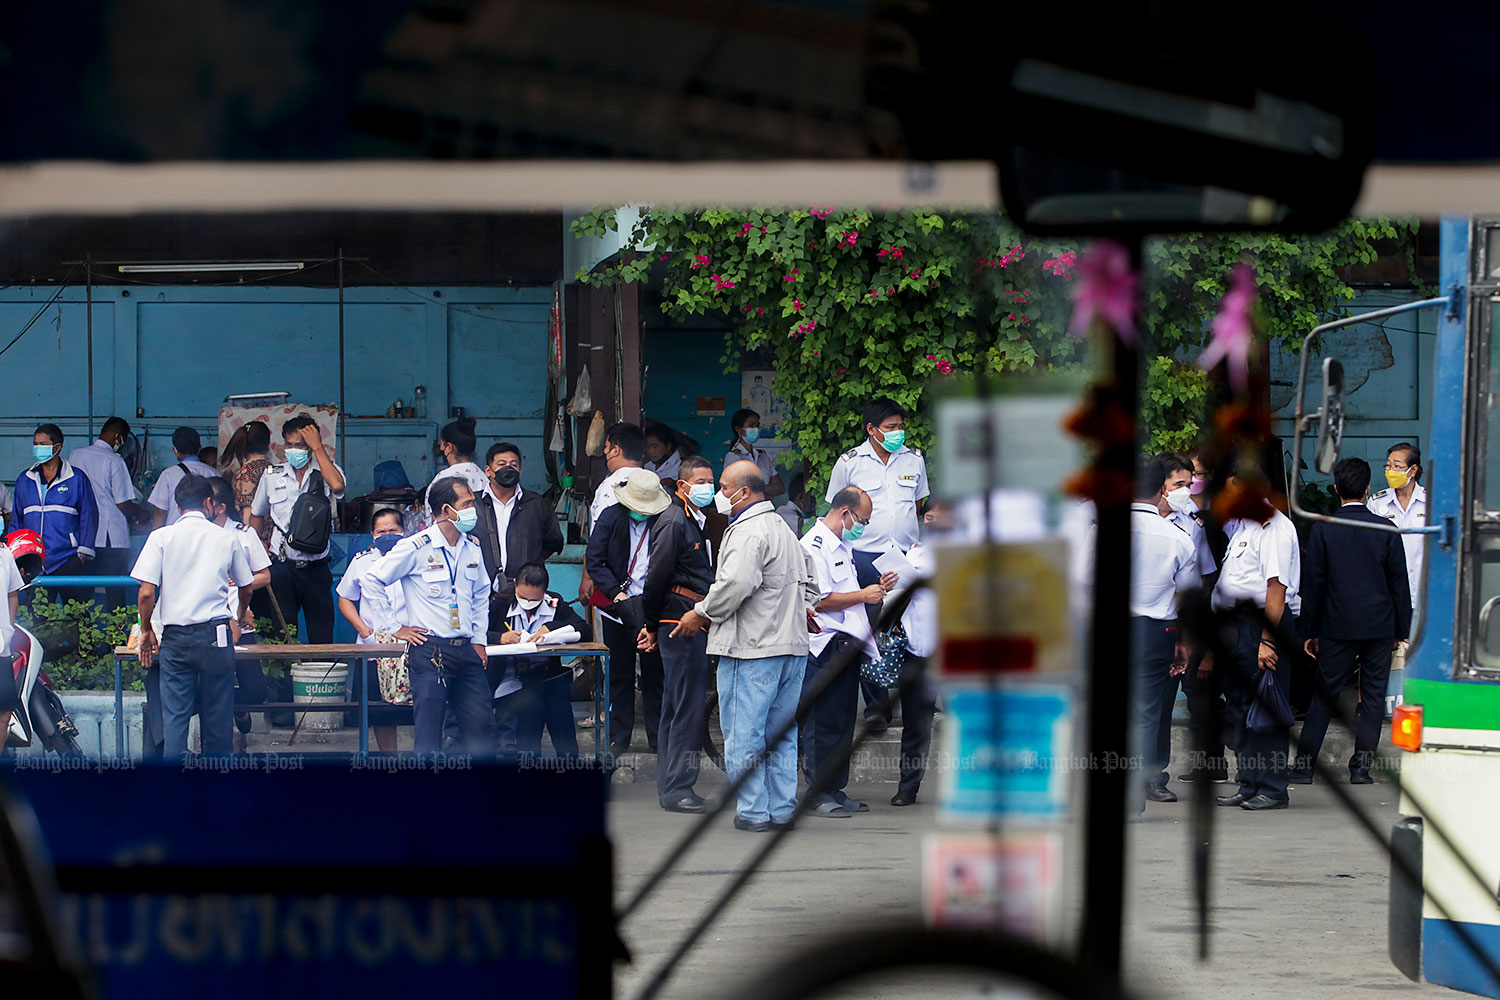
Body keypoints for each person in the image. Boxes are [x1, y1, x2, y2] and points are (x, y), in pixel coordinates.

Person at [670, 460, 818, 833]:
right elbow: (811, 582)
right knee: (780, 735)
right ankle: (782, 809)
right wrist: (799, 609)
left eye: (722, 486)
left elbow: (735, 586)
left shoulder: (748, 531)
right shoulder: (782, 528)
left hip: (752, 648)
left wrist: (699, 613)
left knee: (744, 734)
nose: (718, 493)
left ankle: (753, 811)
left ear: (744, 491)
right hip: (790, 648)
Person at [1291, 459, 1410, 784]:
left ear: (1336, 490)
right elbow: (1399, 585)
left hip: (1337, 627)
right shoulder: (1385, 529)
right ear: (1368, 490)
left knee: (1323, 697)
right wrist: (1402, 629)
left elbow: (1313, 585)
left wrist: (1309, 631)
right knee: (1372, 697)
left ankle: (1303, 768)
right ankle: (1360, 769)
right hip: (1379, 627)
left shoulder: (1324, 529)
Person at [363, 478, 496, 756]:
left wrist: (480, 638)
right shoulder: (416, 546)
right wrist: (395, 627)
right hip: (431, 650)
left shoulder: (472, 546)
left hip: (467, 649)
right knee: (429, 734)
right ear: (447, 510)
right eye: (468, 504)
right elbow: (372, 580)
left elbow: (482, 594)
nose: (475, 510)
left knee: (482, 728)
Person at [824, 398, 930, 729]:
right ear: (871, 430)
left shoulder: (914, 459)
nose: (898, 433)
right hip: (864, 557)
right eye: (890, 428)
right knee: (867, 629)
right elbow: (838, 508)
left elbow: (918, 503)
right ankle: (875, 707)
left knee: (914, 626)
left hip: (905, 556)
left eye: (901, 427)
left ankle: (917, 699)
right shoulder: (849, 463)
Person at [132, 475, 252, 758]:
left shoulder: (161, 537)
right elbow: (245, 586)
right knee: (218, 718)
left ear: (177, 505)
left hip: (176, 638)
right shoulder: (226, 537)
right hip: (217, 636)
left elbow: (146, 593)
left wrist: (147, 629)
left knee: (175, 719)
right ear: (209, 503)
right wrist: (241, 613)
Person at [1211, 466, 1302, 811]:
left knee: (1267, 709)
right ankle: (1248, 782)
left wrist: (1268, 641)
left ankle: (1274, 787)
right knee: (1240, 708)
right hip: (1236, 629)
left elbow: (1275, 589)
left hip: (1263, 628)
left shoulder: (1274, 527)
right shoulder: (1244, 526)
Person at [801, 486, 895, 817]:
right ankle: (816, 792)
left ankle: (835, 788)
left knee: (842, 722)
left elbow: (850, 590)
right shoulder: (813, 546)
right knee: (821, 721)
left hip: (848, 643)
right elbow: (820, 599)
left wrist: (877, 588)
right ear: (845, 513)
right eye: (862, 520)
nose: (863, 527)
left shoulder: (843, 545)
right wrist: (863, 596)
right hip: (825, 645)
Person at [636, 456, 717, 812]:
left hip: (685, 618)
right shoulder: (674, 521)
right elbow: (654, 579)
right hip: (678, 620)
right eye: (700, 481)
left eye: (710, 480)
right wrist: (652, 626)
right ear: (682, 485)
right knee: (686, 707)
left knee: (677, 704)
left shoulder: (692, 521)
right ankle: (678, 789)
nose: (707, 487)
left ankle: (672, 785)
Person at [1129, 455, 1201, 812]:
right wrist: (1183, 645)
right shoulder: (1178, 538)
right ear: (1161, 490)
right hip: (1158, 632)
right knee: (1145, 714)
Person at [585, 467, 669, 756]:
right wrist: (615, 594)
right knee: (619, 674)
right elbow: (595, 560)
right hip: (616, 608)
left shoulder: (665, 520)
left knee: (654, 675)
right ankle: (618, 738)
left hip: (652, 608)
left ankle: (658, 738)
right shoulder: (610, 516)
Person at [249, 414, 346, 645]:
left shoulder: (326, 471)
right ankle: (283, 682)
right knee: (282, 636)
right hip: (282, 567)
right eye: (289, 445)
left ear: (311, 447)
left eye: (300, 445)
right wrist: (255, 550)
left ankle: (321, 681)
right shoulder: (272, 475)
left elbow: (338, 486)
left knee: (321, 637)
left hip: (317, 568)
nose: (294, 450)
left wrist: (318, 448)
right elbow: (256, 514)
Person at [494, 561, 592, 759]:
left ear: (545, 592)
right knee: (531, 706)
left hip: (547, 675)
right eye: (522, 597)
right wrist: (500, 638)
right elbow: (476, 633)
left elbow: (584, 629)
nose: (528, 603)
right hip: (513, 678)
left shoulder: (555, 603)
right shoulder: (500, 603)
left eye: (534, 600)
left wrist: (552, 626)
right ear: (515, 584)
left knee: (559, 708)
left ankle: (569, 762)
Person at [337, 508, 412, 752]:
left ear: (404, 531)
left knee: (420, 705)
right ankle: (389, 759)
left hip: (411, 643)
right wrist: (364, 629)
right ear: (372, 535)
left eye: (393, 530)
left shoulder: (416, 557)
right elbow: (345, 598)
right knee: (379, 710)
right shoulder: (361, 562)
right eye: (381, 531)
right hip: (373, 645)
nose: (387, 535)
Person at [889, 505, 942, 807]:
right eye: (929, 517)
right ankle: (908, 787)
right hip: (915, 651)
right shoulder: (913, 554)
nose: (932, 522)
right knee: (915, 724)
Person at [473, 442, 564, 611]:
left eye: (514, 465)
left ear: (520, 471)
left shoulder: (536, 504)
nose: (508, 469)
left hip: (524, 596)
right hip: (479, 595)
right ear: (488, 471)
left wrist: (528, 562)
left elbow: (553, 542)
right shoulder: (473, 504)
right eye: (501, 464)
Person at [67, 416, 138, 609]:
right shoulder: (114, 461)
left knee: (82, 592)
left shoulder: (76, 455)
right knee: (115, 590)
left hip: (84, 537)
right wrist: (141, 514)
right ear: (118, 437)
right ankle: (118, 634)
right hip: (110, 537)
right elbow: (123, 503)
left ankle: (83, 636)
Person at [15, 423, 98, 582]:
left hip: (68, 558)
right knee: (36, 606)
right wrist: (16, 555)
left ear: (57, 447)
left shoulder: (76, 478)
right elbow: (17, 520)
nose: (37, 448)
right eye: (35, 444)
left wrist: (82, 554)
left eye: (42, 444)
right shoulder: (25, 479)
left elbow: (89, 516)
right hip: (33, 559)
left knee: (76, 606)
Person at [579, 422, 646, 603]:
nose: (606, 454)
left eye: (606, 448)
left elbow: (598, 539)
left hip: (614, 581)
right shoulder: (652, 484)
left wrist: (587, 577)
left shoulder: (611, 486)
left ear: (615, 450)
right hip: (648, 582)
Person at [1368, 442, 1426, 612]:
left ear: (1413, 471)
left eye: (1397, 466)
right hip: (1387, 593)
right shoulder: (1377, 503)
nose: (1390, 471)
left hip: (1423, 592)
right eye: (1388, 466)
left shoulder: (1429, 503)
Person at [149, 426, 223, 529]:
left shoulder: (168, 474)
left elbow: (161, 511)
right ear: (199, 447)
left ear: (175, 450)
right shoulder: (214, 473)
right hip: (207, 534)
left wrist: (155, 535)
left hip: (175, 535)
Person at [425, 417, 490, 519]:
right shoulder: (483, 476)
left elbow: (434, 516)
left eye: (442, 445)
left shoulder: (444, 477)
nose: (441, 449)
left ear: (449, 447)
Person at [222, 421, 275, 547]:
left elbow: (248, 513)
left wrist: (251, 545)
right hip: (275, 541)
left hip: (256, 540)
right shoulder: (274, 469)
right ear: (268, 444)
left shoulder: (245, 473)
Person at [0, 534, 31, 742]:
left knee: (4, 711)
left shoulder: (4, 554)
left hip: (1, 647)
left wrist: (9, 627)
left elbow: (13, 593)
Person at [724, 408, 785, 499]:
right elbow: (739, 491)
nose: (755, 429)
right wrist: (768, 490)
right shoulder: (733, 457)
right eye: (751, 425)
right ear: (739, 429)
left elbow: (780, 488)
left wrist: (756, 489)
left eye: (757, 425)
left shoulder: (763, 457)